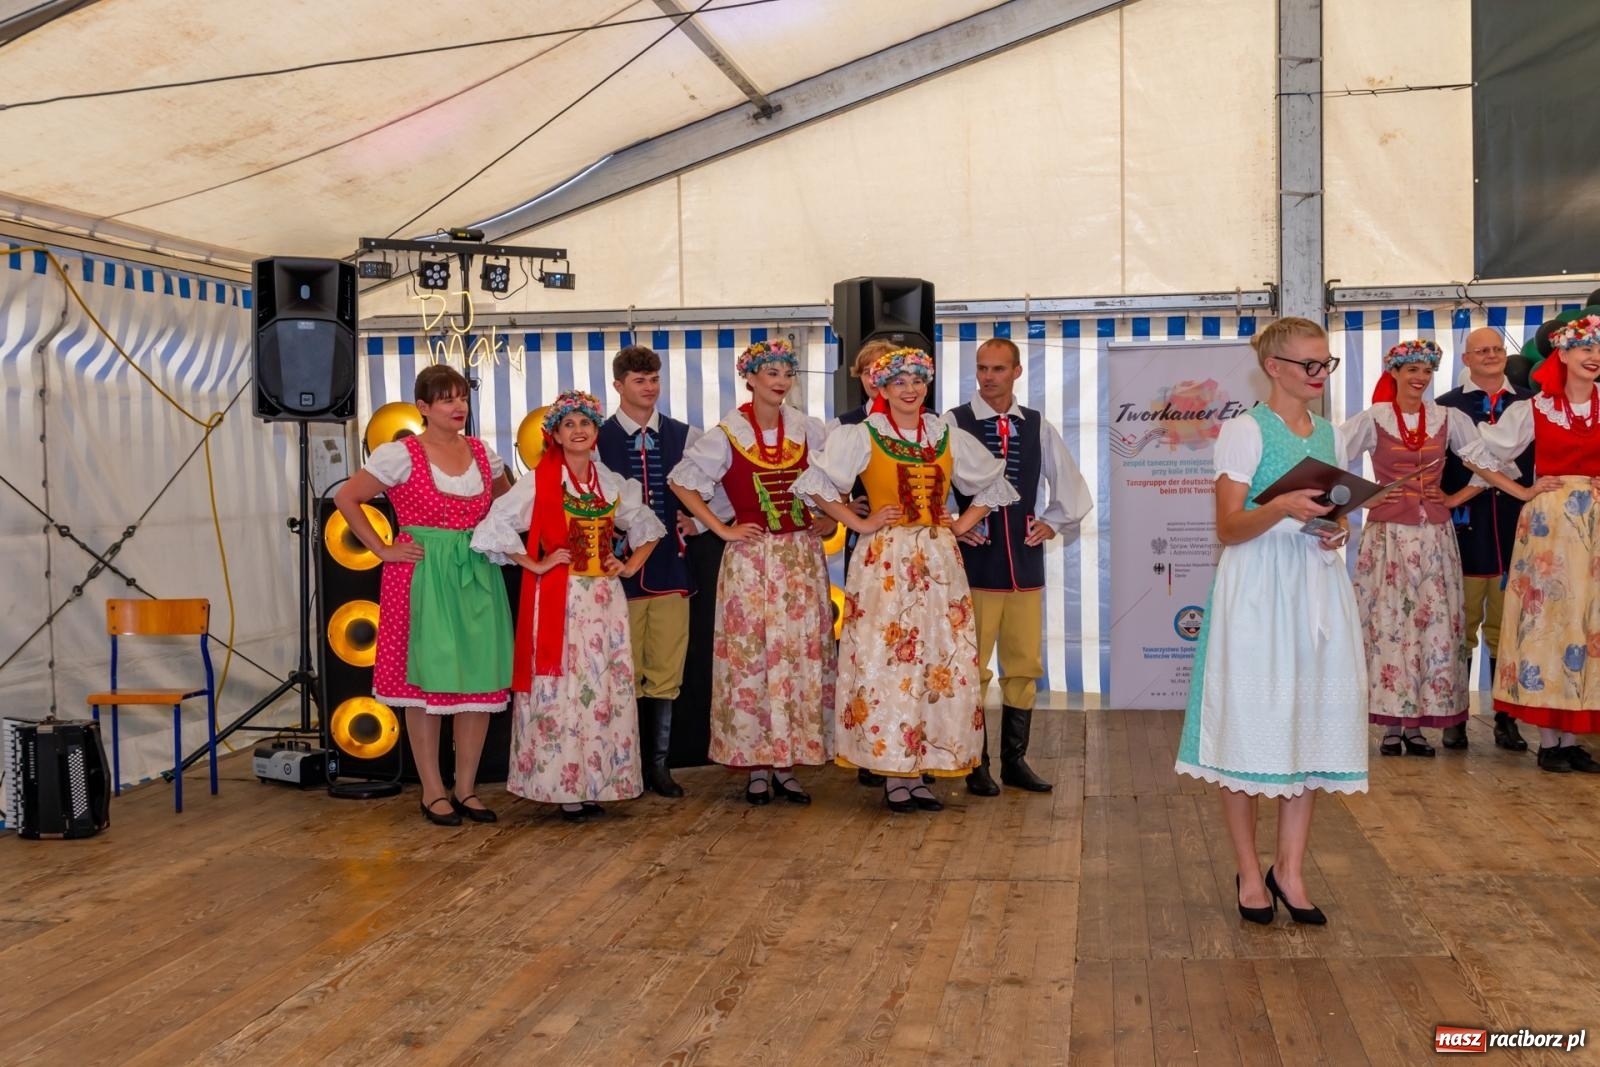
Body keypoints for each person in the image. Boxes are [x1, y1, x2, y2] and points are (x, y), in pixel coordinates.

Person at [1174, 316, 1368, 925]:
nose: (1320, 374)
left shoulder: (1331, 435)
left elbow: (1335, 515)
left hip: (1314, 584)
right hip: (1258, 589)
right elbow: (1228, 528)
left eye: (1325, 363)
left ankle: (1291, 869)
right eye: (1309, 364)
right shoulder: (1244, 430)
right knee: (1249, 728)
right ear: (1274, 368)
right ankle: (1249, 871)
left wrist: (1335, 530)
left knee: (1307, 724)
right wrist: (1280, 504)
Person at [798, 347, 1017, 811]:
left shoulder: (943, 433)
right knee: (888, 660)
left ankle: (919, 768)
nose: (910, 389)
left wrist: (960, 523)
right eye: (899, 382)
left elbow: (993, 484)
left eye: (918, 381)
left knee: (935, 659)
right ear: (881, 388)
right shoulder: (864, 434)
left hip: (938, 561)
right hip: (887, 560)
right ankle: (893, 774)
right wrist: (858, 522)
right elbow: (816, 484)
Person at [471, 390, 667, 820]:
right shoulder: (540, 480)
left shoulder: (607, 481)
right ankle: (563, 787)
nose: (579, 431)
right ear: (556, 435)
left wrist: (628, 564)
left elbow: (646, 524)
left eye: (586, 423)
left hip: (604, 601)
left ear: (596, 431)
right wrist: (535, 563)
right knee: (561, 687)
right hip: (561, 598)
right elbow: (493, 526)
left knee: (600, 685)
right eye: (569, 424)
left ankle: (595, 782)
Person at [333, 364, 514, 827]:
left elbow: (509, 504)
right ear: (423, 407)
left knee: (478, 680)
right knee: (425, 681)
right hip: (422, 573)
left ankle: (466, 788)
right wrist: (382, 549)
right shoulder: (401, 454)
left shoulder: (483, 453)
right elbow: (347, 498)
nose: (458, 406)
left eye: (462, 398)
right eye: (447, 399)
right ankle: (433, 790)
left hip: (475, 571)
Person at [668, 339, 835, 804]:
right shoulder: (728, 433)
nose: (781, 382)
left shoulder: (807, 429)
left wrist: (829, 517)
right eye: (772, 373)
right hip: (752, 559)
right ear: (751, 378)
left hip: (800, 559)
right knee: (753, 659)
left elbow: (830, 484)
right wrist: (721, 527)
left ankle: (787, 763)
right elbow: (682, 481)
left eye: (787, 374)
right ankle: (757, 766)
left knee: (797, 657)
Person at [1340, 340, 1512, 758]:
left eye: (1426, 371)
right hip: (1388, 538)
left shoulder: (1448, 418)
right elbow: (1330, 457)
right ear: (1395, 373)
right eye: (1412, 370)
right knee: (1389, 625)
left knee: (1431, 626)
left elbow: (1490, 463)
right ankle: (1391, 725)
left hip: (1434, 536)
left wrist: (1454, 499)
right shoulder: (1375, 417)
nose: (1420, 378)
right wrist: (1366, 496)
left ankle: (1416, 726)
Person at [948, 336, 1092, 794]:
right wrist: (953, 524)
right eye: (982, 368)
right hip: (975, 566)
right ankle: (974, 762)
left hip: (1024, 567)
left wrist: (1053, 521)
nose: (988, 377)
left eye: (998, 368)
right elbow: (933, 484)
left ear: (1016, 372)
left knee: (1024, 664)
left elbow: (1068, 481)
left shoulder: (1035, 425)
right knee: (971, 666)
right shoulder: (954, 421)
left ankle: (1015, 761)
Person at [1466, 313, 1600, 774]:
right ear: (1563, 354)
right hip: (1549, 527)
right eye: (1585, 348)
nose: (1594, 357)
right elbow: (1476, 453)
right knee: (1549, 622)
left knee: (1588, 624)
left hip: (1595, 527)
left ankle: (1573, 738)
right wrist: (1522, 491)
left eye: (1598, 350)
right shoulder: (1534, 408)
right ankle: (1548, 741)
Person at [596, 345, 702, 797]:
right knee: (622, 670)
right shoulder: (595, 438)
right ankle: (625, 766)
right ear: (618, 385)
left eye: (654, 379)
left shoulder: (685, 435)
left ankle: (658, 766)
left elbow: (721, 485)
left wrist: (700, 522)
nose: (649, 387)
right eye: (640, 380)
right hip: (614, 571)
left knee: (665, 670)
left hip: (671, 569)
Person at [1435, 326, 1535, 750]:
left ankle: (1506, 718)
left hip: (1519, 529)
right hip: (1466, 530)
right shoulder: (1446, 406)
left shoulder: (1531, 403)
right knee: (1461, 625)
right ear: (1466, 359)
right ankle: (1455, 716)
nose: (1491, 355)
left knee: (1509, 628)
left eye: (1497, 349)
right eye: (1482, 350)